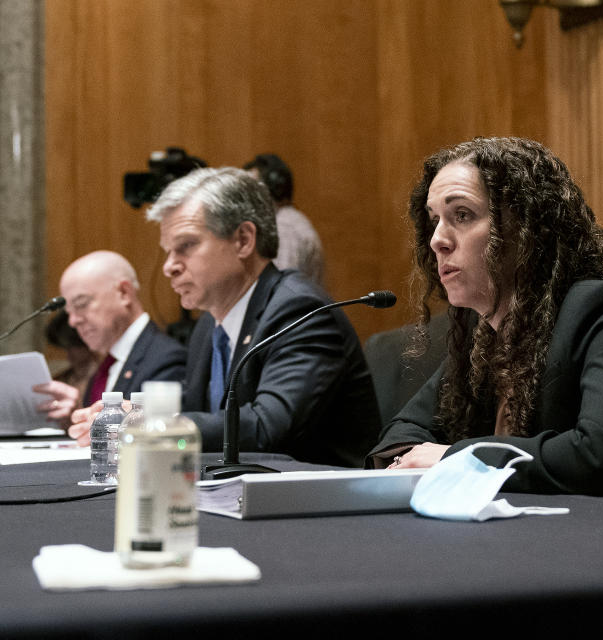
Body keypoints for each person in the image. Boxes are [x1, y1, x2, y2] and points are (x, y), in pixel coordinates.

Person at [370, 137, 603, 504]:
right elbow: (401, 434)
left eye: (461, 215)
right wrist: (410, 461)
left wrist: (456, 459)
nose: (437, 240)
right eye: (435, 220)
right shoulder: (485, 333)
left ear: (527, 227)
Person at [69, 168, 380, 467]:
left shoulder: (299, 311)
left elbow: (267, 428)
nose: (169, 267)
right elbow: (199, 417)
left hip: (321, 504)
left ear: (243, 240)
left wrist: (154, 424)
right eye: (168, 251)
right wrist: (138, 417)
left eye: (186, 246)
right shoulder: (208, 325)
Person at [34, 251, 186, 427]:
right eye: (68, 312)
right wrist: (75, 419)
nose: (73, 321)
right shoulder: (107, 363)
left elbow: (163, 433)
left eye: (81, 304)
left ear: (124, 293)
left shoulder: (165, 359)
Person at [244, 154, 325, 286]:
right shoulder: (290, 221)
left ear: (276, 188)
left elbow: (280, 287)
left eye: (251, 189)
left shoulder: (284, 229)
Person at [43, 309, 98, 401]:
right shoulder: (61, 379)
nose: (69, 352)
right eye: (65, 347)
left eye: (73, 346)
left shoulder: (104, 377)